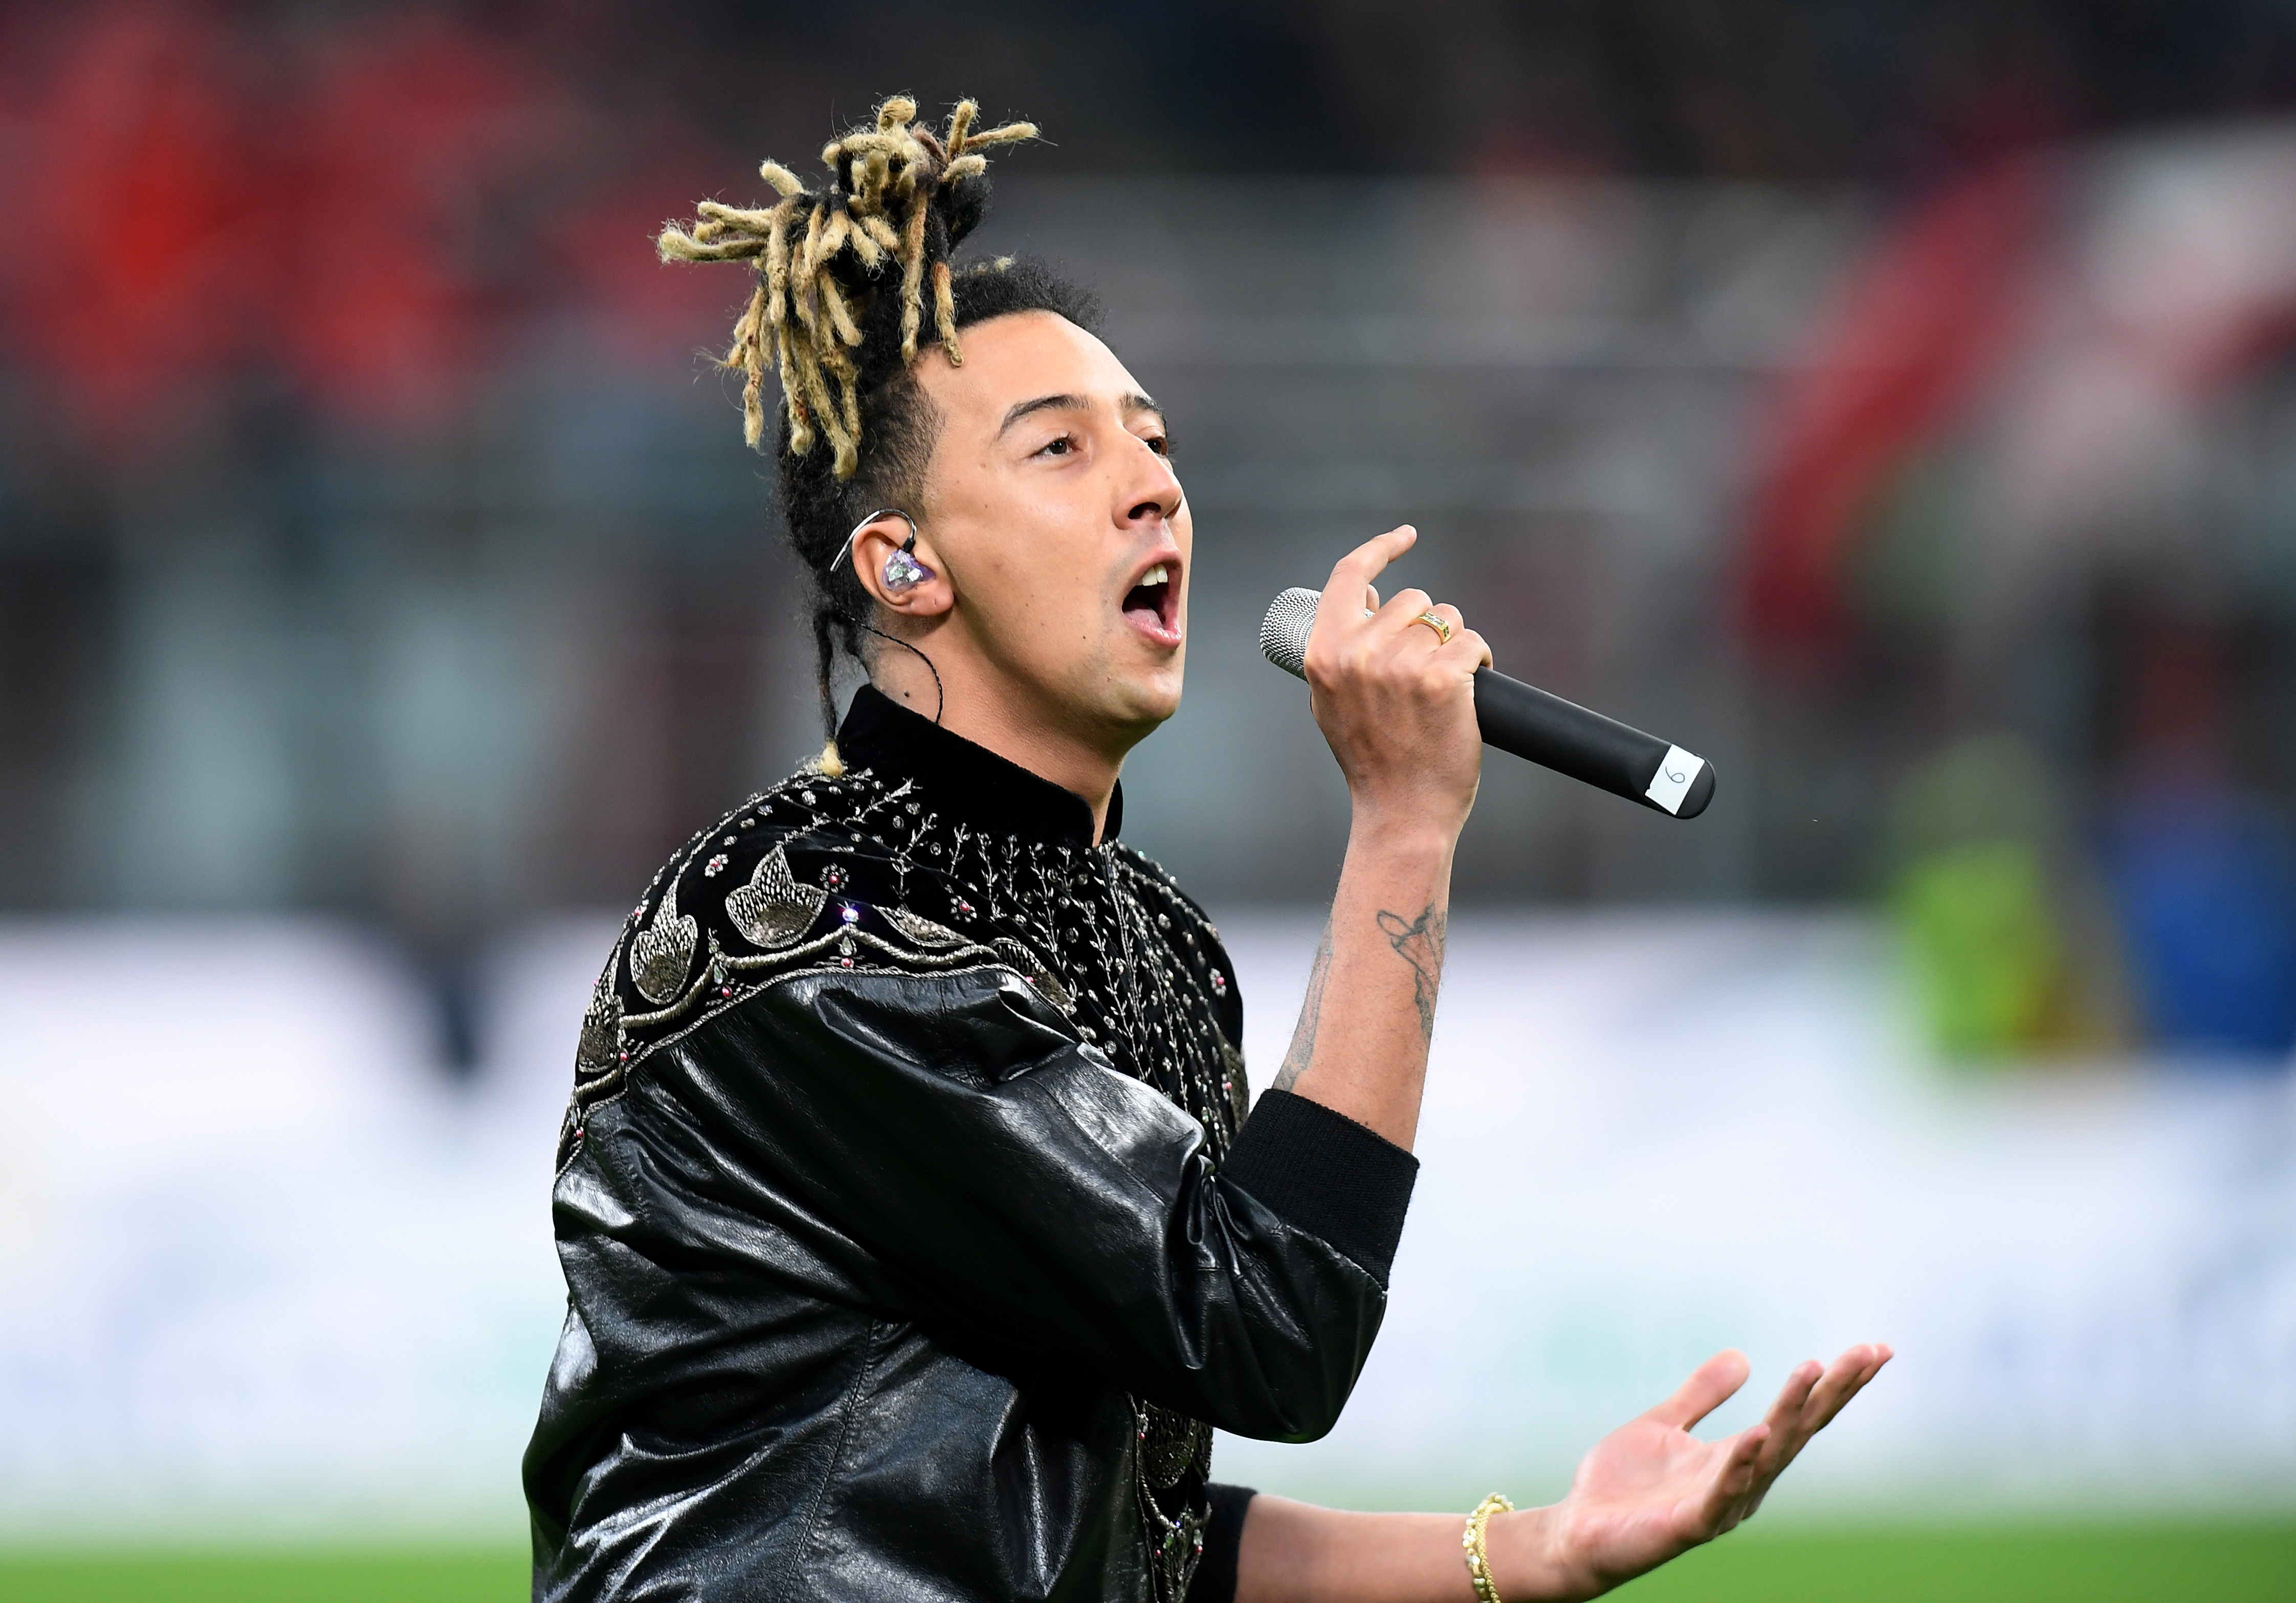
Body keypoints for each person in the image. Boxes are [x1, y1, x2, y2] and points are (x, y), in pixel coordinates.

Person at [522, 97, 1890, 1603]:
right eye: (1061, 450)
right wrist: (1406, 821)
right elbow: (1269, 1328)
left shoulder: (1147, 933)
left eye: (1155, 441)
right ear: (904, 563)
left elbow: (1133, 1529)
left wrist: (1537, 1550)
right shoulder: (810, 932)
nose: (1153, 482)